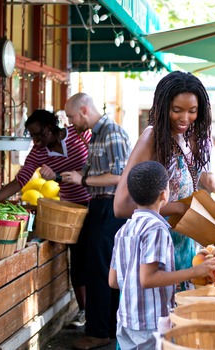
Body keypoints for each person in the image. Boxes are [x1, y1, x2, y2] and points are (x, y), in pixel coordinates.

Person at [0, 109, 90, 328]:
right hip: (70, 209)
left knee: (99, 258)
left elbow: (100, 156)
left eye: (39, 134)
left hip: (97, 202)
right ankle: (84, 311)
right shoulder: (38, 152)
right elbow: (21, 179)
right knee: (78, 259)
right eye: (32, 136)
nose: (36, 140)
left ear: (51, 127)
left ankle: (107, 310)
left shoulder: (78, 134)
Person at [109, 160, 215, 350]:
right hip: (150, 322)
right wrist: (195, 271)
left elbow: (113, 280)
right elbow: (147, 279)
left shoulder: (124, 230)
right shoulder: (157, 229)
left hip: (126, 321)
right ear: (164, 195)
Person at [114, 71, 213, 275]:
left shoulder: (186, 137)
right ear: (162, 107)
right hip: (155, 257)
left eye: (192, 111)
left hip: (184, 251)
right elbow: (120, 207)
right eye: (177, 110)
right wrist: (177, 208)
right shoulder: (151, 139)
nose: (185, 118)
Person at [61, 92, 131, 350]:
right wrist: (78, 175)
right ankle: (107, 328)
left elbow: (120, 175)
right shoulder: (97, 134)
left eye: (70, 116)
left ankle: (99, 332)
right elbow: (102, 170)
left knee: (100, 271)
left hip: (110, 208)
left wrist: (84, 180)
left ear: (83, 111)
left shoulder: (111, 132)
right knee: (102, 269)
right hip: (101, 206)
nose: (70, 122)